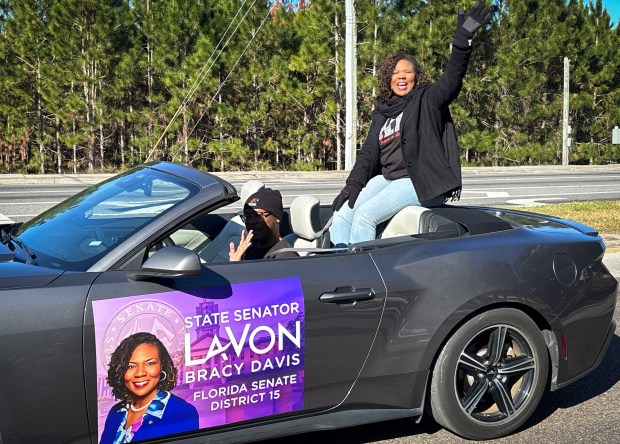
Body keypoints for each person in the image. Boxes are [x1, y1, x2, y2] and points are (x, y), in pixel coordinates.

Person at [330, 2, 496, 247]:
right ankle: (337, 268)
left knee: (365, 217)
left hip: (418, 180)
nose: (401, 77)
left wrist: (462, 42)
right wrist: (352, 185)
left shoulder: (427, 99)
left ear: (416, 76)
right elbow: (367, 155)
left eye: (406, 72)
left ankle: (359, 276)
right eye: (395, 73)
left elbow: (451, 81)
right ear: (389, 78)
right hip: (387, 179)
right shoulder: (382, 111)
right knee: (343, 214)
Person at [100, 332, 199, 443]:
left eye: (150, 363)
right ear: (120, 371)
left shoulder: (183, 414)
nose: (140, 373)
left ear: (162, 366)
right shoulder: (116, 411)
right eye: (131, 366)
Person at [229, 188, 299, 260]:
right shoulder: (250, 249)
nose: (252, 221)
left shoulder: (286, 257)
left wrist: (235, 268)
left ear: (277, 217)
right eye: (248, 216)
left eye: (258, 215)